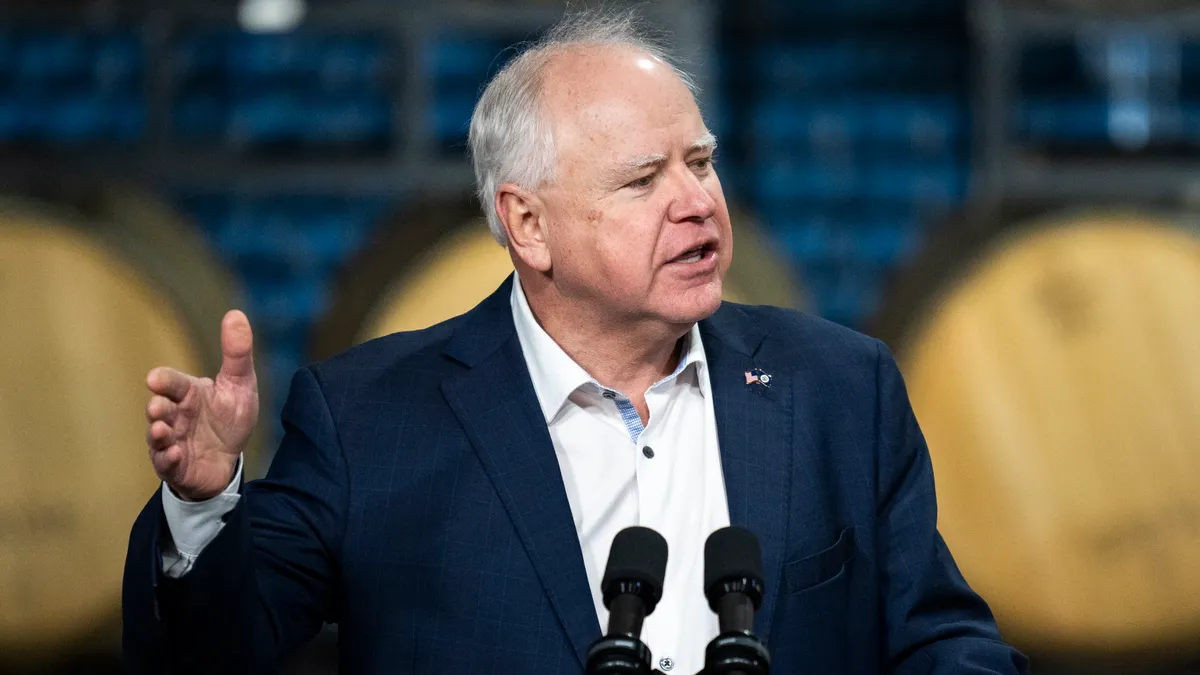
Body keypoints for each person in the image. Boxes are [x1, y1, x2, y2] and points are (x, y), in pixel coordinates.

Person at [123, 10, 1028, 675]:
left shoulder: (839, 386)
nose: (697, 201)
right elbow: (216, 649)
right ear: (528, 224)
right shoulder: (370, 416)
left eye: (701, 162)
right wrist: (204, 509)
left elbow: (939, 638)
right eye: (643, 179)